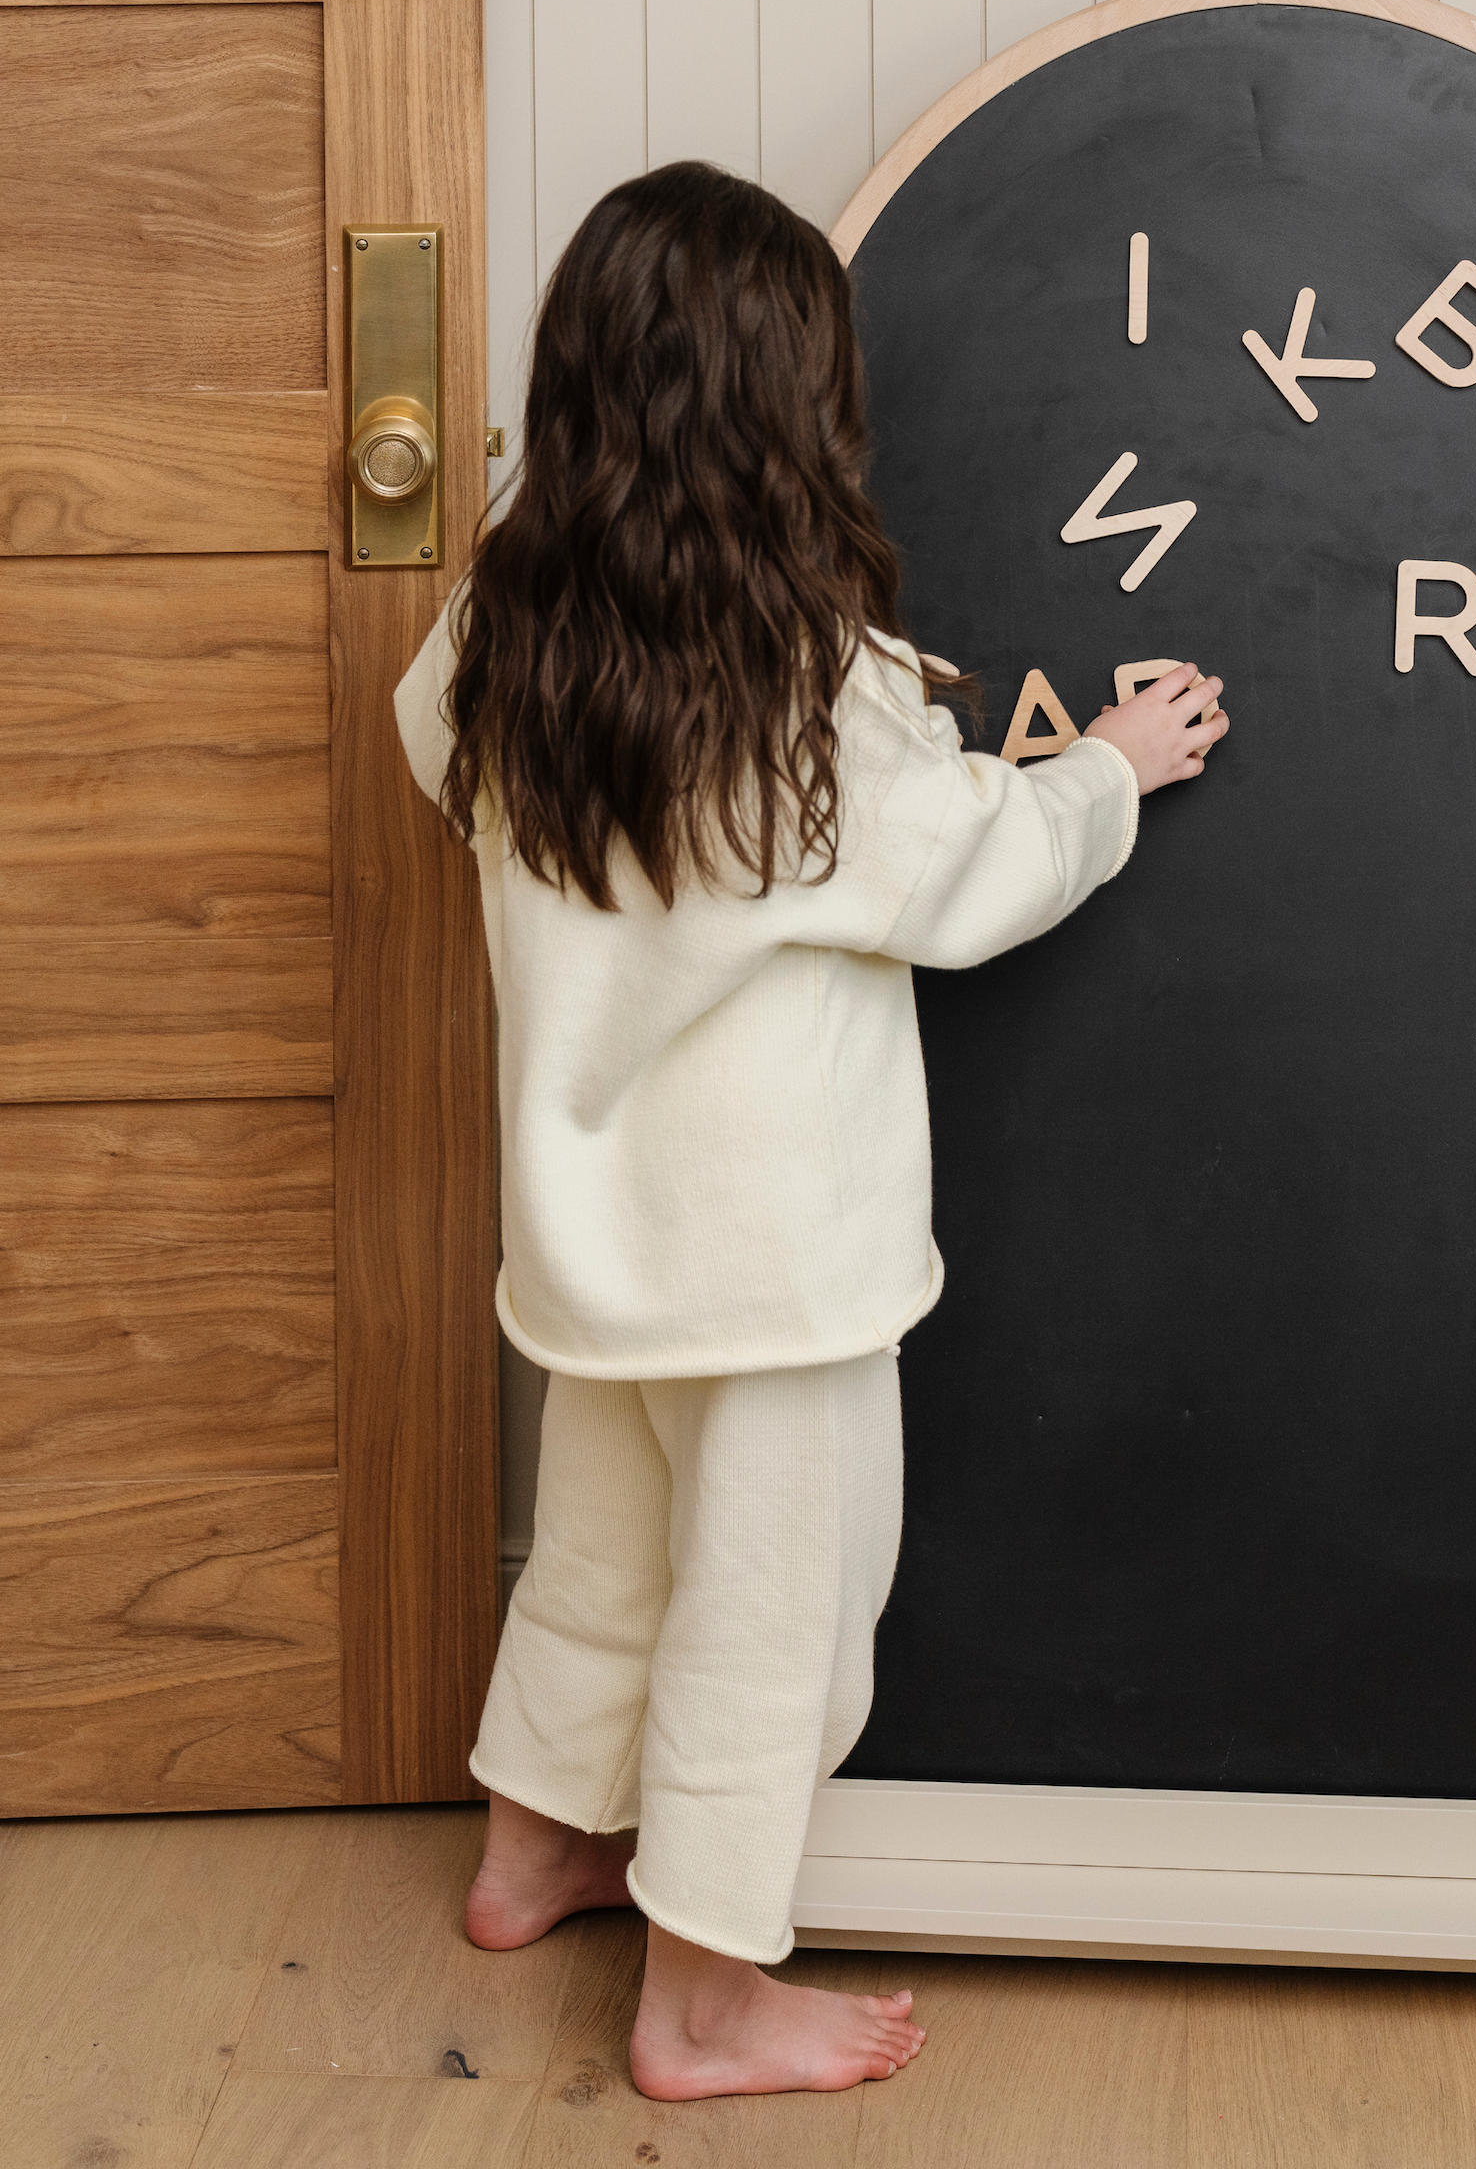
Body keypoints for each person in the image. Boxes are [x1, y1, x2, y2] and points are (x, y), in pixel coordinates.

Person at [393, 161, 1228, 2101]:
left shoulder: (502, 642)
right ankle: (700, 1996)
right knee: (775, 1621)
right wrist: (1106, 765)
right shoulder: (806, 694)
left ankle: (530, 1855)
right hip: (777, 1272)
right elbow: (970, 873)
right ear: (796, 416)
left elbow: (435, 755)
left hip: (595, 1258)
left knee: (602, 1563)